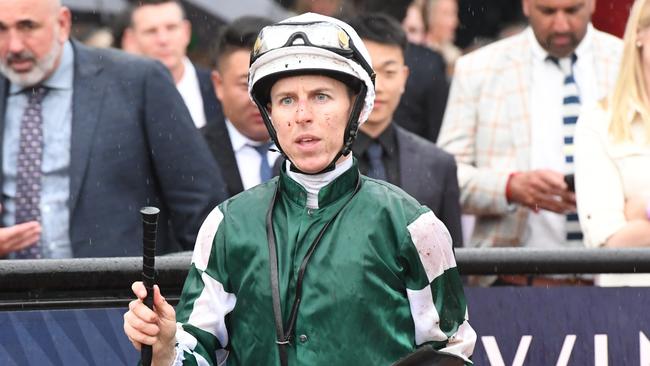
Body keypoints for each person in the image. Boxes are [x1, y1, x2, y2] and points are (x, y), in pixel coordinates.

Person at [123, 12, 475, 365]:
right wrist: (167, 346)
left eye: (321, 96)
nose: (302, 115)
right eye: (287, 100)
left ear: (355, 106)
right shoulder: (226, 225)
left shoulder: (412, 225)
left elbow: (451, 353)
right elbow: (194, 351)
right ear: (270, 113)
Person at [0, 0, 227, 258]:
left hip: (116, 292)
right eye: (1, 29)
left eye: (27, 26)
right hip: (9, 293)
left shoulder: (137, 81)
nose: (14, 45)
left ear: (62, 23)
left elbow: (199, 206)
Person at [437, 0, 622, 286]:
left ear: (593, 4)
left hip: (620, 281)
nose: (561, 24)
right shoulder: (478, 69)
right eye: (547, 11)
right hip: (513, 284)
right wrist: (509, 187)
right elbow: (445, 177)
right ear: (525, 5)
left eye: (573, 11)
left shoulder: (628, 63)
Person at [348, 13, 463, 247]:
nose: (376, 87)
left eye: (389, 73)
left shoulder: (438, 164)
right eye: (366, 73)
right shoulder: (313, 160)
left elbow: (453, 265)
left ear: (404, 78)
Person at [575, 0, 650, 286]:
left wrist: (642, 213)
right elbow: (608, 243)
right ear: (640, 34)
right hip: (630, 308)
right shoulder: (599, 121)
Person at [202, 16, 281, 197]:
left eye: (268, 84)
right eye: (246, 85)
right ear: (218, 85)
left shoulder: (314, 148)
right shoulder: (193, 152)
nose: (258, 99)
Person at [123, 0, 223, 129]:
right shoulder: (120, 97)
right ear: (131, 39)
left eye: (171, 28)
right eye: (151, 31)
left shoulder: (219, 87)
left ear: (187, 32)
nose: (163, 40)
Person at [423, 0, 460, 75]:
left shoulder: (455, 55)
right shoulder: (419, 54)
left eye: (454, 14)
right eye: (446, 14)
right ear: (430, 16)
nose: (454, 22)